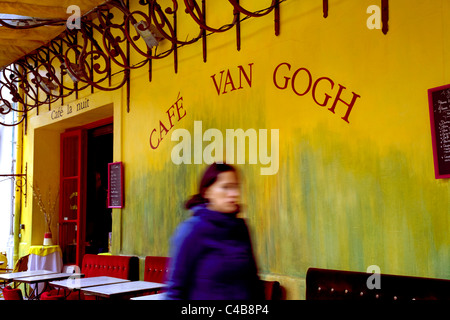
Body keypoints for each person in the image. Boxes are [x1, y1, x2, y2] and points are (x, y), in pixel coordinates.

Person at [165, 163, 264, 300]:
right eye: (226, 187)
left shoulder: (242, 228)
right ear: (207, 192)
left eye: (236, 187)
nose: (234, 194)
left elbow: (254, 282)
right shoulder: (192, 230)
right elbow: (175, 291)